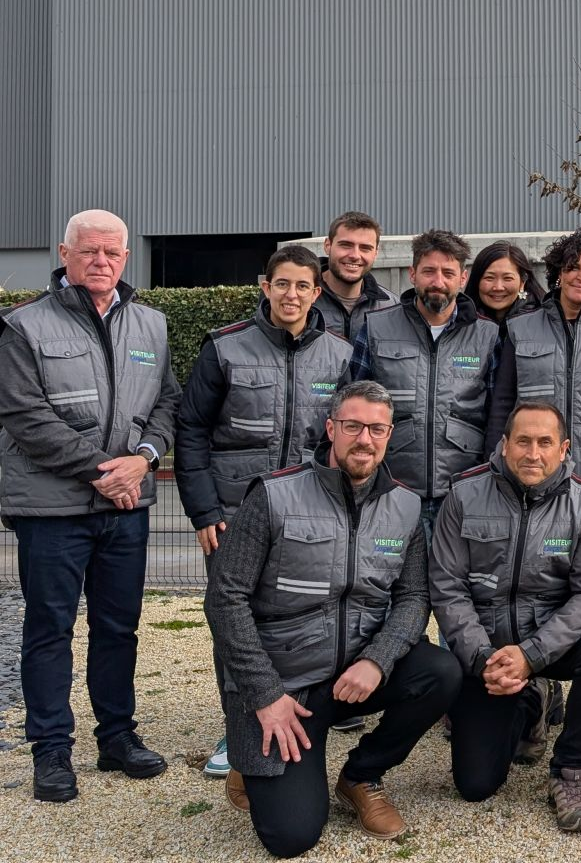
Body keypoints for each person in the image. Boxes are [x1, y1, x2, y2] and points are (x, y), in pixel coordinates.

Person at [202, 380, 462, 858]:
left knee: (443, 671)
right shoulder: (275, 495)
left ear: (389, 435)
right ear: (331, 428)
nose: (365, 439)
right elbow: (224, 599)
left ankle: (361, 775)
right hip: (286, 688)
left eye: (377, 429)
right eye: (353, 426)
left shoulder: (403, 506)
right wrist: (264, 696)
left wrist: (378, 661)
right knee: (292, 836)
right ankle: (251, 756)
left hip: (353, 677)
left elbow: (413, 597)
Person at [0, 209, 181, 803]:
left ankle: (117, 737)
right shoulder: (22, 327)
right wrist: (107, 471)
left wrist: (146, 456)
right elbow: (27, 417)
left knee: (118, 627)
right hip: (52, 511)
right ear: (64, 252)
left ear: (126, 257)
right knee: (50, 628)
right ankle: (51, 751)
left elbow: (166, 405)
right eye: (89, 251)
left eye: (112, 253)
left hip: (127, 506)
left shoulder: (152, 325)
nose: (101, 262)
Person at [174, 243, 353, 778]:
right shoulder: (224, 348)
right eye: (282, 284)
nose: (292, 294)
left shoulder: (341, 356)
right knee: (235, 622)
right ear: (265, 286)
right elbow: (191, 430)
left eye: (303, 286)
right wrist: (204, 510)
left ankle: (296, 716)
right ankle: (236, 732)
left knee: (297, 618)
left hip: (307, 517)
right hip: (234, 513)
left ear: (317, 292)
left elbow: (343, 441)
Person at [429, 401, 581, 832]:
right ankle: (533, 700)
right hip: (488, 650)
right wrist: (483, 658)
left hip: (550, 645)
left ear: (563, 448)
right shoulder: (462, 495)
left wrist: (533, 655)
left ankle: (570, 772)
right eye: (523, 441)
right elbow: (447, 586)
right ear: (504, 443)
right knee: (475, 784)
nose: (532, 453)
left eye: (544, 442)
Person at [485, 227, 581, 530]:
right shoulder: (520, 329)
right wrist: (496, 465)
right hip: (531, 474)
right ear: (559, 272)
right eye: (573, 267)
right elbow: (502, 404)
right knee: (538, 568)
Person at [348, 229, 501, 534]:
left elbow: (498, 413)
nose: (438, 282)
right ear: (413, 274)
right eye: (429, 271)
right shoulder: (377, 328)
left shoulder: (488, 336)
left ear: (463, 278)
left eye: (448, 273)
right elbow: (352, 406)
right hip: (392, 486)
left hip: (462, 489)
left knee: (453, 579)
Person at [312, 211, 397, 340]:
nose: (355, 255)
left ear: (376, 253)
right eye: (346, 245)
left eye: (365, 248)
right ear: (327, 246)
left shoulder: (392, 308)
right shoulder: (301, 299)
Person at [463, 240, 543, 329]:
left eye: (507, 278)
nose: (498, 287)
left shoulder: (542, 322)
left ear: (522, 282)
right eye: (489, 278)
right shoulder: (459, 322)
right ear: (476, 281)